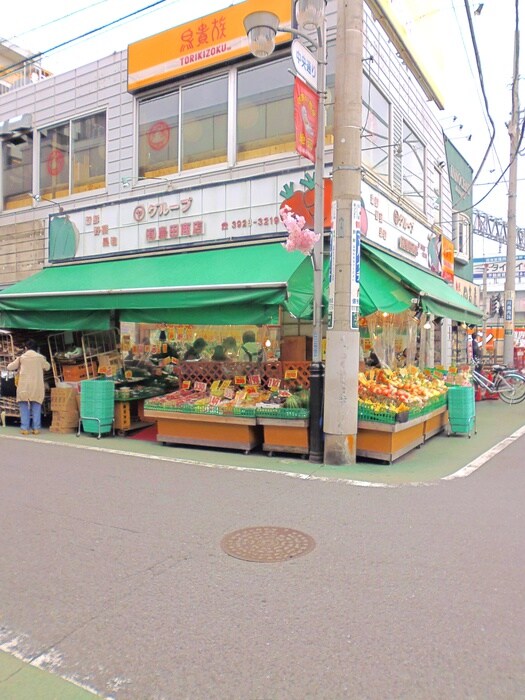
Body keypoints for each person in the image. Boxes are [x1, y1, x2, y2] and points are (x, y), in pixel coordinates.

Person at [7, 339, 50, 435]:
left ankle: (25, 428)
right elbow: (47, 367)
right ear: (36, 348)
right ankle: (36, 428)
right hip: (36, 386)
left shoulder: (22, 358)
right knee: (36, 406)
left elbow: (9, 367)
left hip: (24, 386)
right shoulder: (40, 358)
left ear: (26, 348)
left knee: (24, 407)